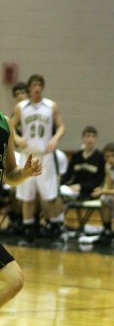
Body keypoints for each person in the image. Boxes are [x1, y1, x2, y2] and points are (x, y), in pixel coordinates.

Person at [11, 74, 65, 243]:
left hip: (45, 156)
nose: (37, 87)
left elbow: (61, 126)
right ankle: (28, 232)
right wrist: (16, 138)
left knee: (50, 196)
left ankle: (55, 230)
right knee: (26, 197)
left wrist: (55, 139)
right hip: (27, 156)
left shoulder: (51, 106)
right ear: (29, 88)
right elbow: (10, 124)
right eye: (34, 84)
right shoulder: (21, 107)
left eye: (40, 84)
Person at [0, 110, 42, 308]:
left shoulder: (5, 123)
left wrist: (24, 173)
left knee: (14, 280)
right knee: (13, 279)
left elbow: (9, 174)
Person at [61, 126, 105, 200]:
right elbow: (68, 175)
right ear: (83, 138)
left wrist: (81, 186)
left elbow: (98, 180)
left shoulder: (100, 157)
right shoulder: (76, 156)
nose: (90, 139)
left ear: (96, 139)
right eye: (88, 136)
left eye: (93, 137)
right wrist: (62, 184)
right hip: (74, 190)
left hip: (90, 191)